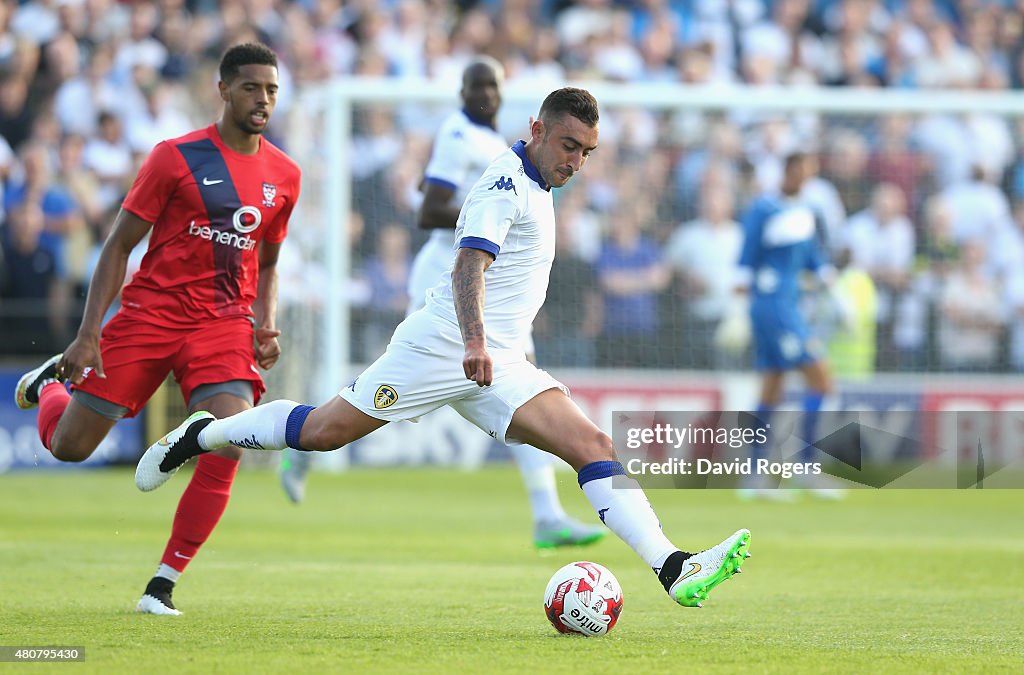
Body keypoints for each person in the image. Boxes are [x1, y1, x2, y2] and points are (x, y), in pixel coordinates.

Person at [137, 87, 750, 608]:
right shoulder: (505, 187)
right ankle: (203, 435)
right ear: (536, 129)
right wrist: (475, 341)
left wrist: (491, 349)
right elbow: (467, 266)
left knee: (591, 444)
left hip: (499, 362)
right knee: (324, 432)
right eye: (568, 146)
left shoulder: (539, 184)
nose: (576, 162)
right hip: (444, 348)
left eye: (587, 153)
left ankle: (674, 568)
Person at [14, 43, 301, 615]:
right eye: (250, 87)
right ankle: (52, 384)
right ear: (222, 90)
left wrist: (264, 322)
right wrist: (88, 332)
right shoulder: (175, 157)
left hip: (222, 324)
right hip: (149, 316)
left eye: (270, 89)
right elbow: (119, 245)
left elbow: (267, 261)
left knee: (231, 438)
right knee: (69, 447)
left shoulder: (285, 174)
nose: (263, 99)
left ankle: (161, 585)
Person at [279, 58, 606, 550]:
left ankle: (546, 513)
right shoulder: (459, 134)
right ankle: (309, 437)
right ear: (463, 92)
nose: (487, 96)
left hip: (498, 287)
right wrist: (490, 213)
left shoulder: (506, 151)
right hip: (451, 276)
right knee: (398, 383)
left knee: (522, 383)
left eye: (495, 87)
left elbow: (433, 189)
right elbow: (432, 209)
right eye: (478, 87)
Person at [735, 152, 844, 500]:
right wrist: (736, 309)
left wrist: (838, 296)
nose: (803, 179)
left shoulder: (807, 213)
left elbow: (814, 258)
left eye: (809, 173)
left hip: (788, 306)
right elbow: (745, 259)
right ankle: (805, 470)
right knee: (821, 378)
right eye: (799, 171)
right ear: (786, 171)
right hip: (773, 308)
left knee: (772, 388)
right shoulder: (764, 209)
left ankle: (755, 477)